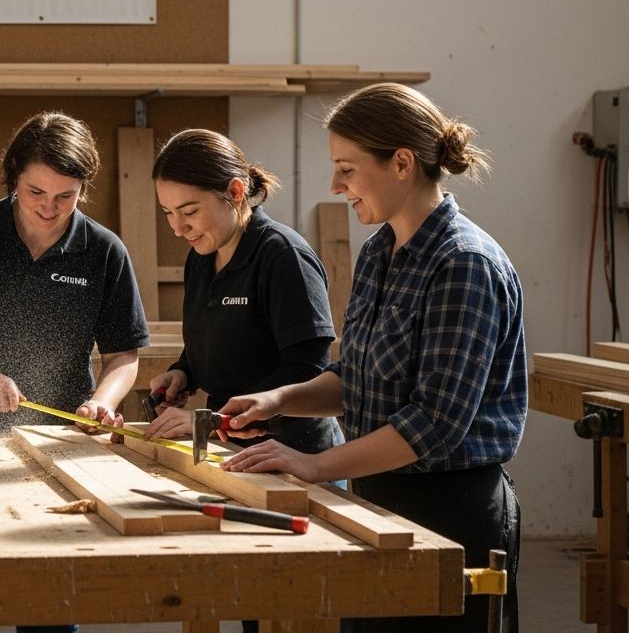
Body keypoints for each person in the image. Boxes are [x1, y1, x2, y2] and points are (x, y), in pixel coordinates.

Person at [219, 83, 525, 633]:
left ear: (402, 163)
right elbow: (355, 378)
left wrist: (312, 466)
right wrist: (277, 400)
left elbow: (432, 424)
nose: (336, 186)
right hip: (377, 500)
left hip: (450, 513)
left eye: (347, 169)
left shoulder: (464, 265)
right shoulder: (382, 251)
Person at [0, 111, 151, 633]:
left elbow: (123, 357)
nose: (49, 208)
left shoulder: (104, 250)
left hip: (62, 441)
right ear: (13, 177)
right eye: (35, 192)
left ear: (83, 189)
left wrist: (106, 402)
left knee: (49, 597)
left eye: (65, 196)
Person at [144, 129, 343, 463]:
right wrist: (184, 372)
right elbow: (220, 341)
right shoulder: (201, 257)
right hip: (232, 451)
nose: (177, 228)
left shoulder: (283, 256)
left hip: (295, 453)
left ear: (235, 192)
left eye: (189, 212)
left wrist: (210, 421)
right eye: (168, 213)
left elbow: (309, 371)